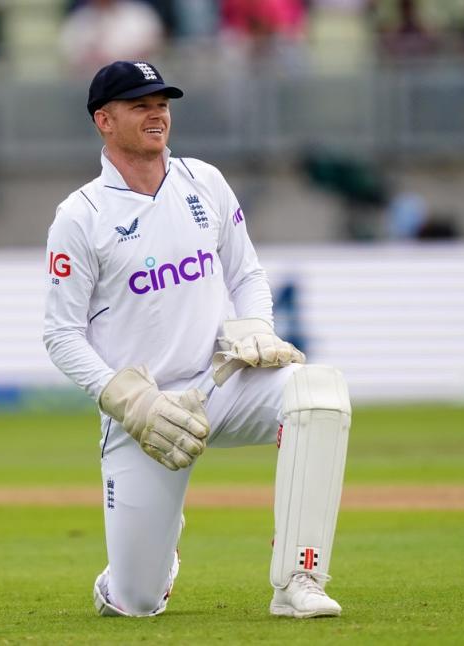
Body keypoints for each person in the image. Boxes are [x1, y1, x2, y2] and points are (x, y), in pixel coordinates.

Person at [43, 60, 352, 618]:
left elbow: (246, 275)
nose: (157, 112)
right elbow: (61, 335)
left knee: (319, 397)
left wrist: (256, 328)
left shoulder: (202, 181)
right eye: (140, 105)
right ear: (103, 121)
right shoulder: (80, 216)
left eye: (162, 102)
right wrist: (128, 400)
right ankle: (144, 564)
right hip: (149, 413)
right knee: (135, 604)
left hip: (225, 383)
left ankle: (298, 581)